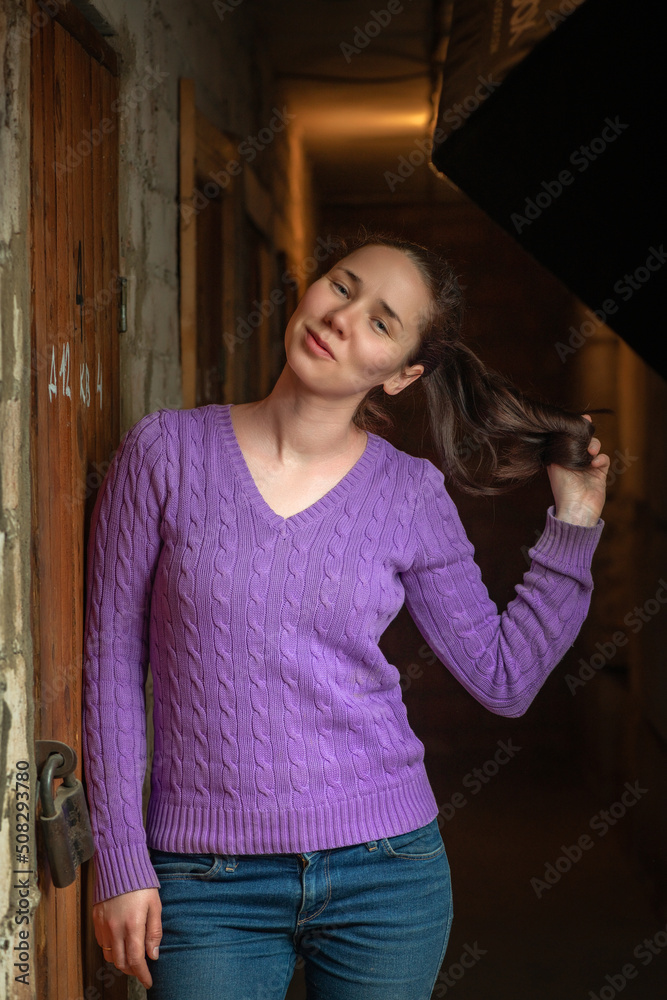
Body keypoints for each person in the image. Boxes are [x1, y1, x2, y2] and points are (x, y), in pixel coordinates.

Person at [82, 232, 609, 999]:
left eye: (382, 321)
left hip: (386, 875)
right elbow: (110, 662)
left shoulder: (410, 495)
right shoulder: (165, 454)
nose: (343, 315)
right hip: (206, 879)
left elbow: (503, 678)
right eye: (342, 285)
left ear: (401, 376)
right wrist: (121, 856)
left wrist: (576, 521)